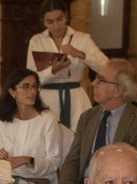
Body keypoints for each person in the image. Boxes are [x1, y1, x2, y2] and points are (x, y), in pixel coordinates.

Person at [50, 59, 137, 184]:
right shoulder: (87, 117)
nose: (94, 83)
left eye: (101, 80)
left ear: (119, 90)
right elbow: (73, 158)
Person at [27, 0, 109, 129]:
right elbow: (30, 78)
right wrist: (52, 71)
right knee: (48, 135)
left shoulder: (82, 39)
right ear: (44, 22)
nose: (56, 26)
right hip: (47, 98)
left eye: (59, 19)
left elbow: (106, 66)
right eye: (50, 22)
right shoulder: (37, 41)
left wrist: (80, 54)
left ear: (66, 16)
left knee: (80, 134)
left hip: (76, 97)